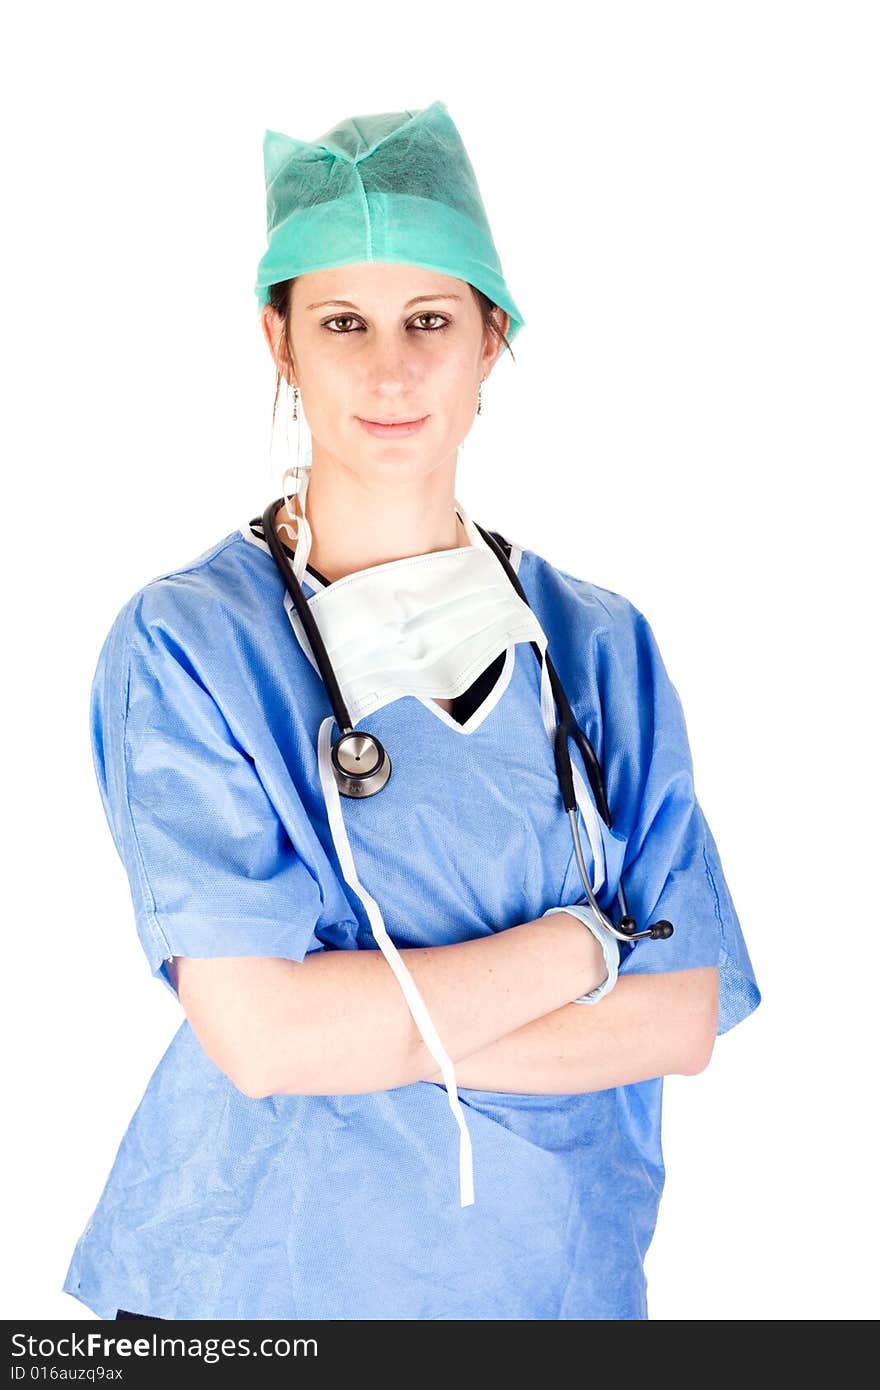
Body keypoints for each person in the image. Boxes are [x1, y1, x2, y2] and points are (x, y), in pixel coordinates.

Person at [63, 99, 761, 1322]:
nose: (389, 369)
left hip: (552, 1289)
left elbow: (686, 1014)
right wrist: (586, 946)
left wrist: (372, 1030)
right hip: (248, 1299)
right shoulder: (188, 644)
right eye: (344, 322)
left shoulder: (599, 646)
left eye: (428, 321)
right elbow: (268, 1042)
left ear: (492, 339)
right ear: (279, 341)